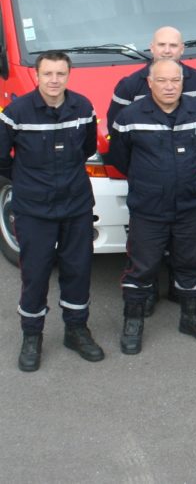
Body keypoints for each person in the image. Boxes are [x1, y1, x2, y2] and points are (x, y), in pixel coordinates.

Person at [109, 59, 196, 354]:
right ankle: (133, 322)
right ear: (149, 83)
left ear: (183, 82)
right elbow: (122, 159)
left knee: (190, 263)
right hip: (149, 209)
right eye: (162, 81)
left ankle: (192, 318)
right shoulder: (130, 116)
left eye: (175, 80)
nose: (170, 86)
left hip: (189, 206)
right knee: (141, 268)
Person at [0, 51, 102, 372]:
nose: (54, 80)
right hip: (34, 209)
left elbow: (88, 148)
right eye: (48, 74)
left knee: (78, 269)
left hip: (76, 205)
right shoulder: (16, 111)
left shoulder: (83, 108)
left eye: (60, 74)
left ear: (68, 76)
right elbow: (2, 157)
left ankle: (76, 330)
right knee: (36, 273)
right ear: (37, 75)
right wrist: (28, 180)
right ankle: (32, 335)